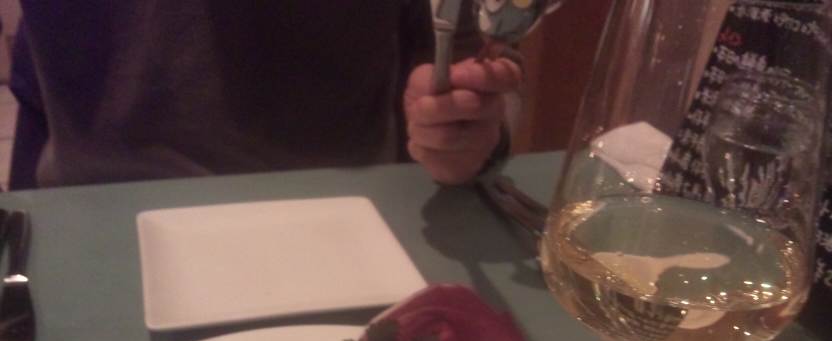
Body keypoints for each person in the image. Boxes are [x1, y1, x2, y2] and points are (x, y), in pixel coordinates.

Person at [7, 1, 522, 190]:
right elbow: (34, 88)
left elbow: (469, 85)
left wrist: (463, 140)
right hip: (95, 228)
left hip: (347, 230)